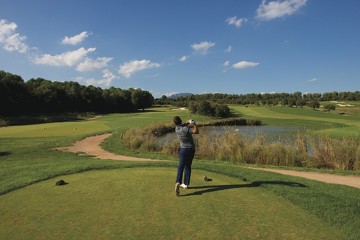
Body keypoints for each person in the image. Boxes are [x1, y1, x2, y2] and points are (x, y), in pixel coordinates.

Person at [173, 116, 199, 196]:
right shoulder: (186, 129)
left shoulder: (177, 129)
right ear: (181, 121)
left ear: (174, 123)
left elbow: (182, 125)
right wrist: (194, 124)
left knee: (181, 166)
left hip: (183, 150)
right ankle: (185, 184)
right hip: (190, 149)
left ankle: (178, 182)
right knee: (188, 166)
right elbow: (196, 131)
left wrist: (187, 122)